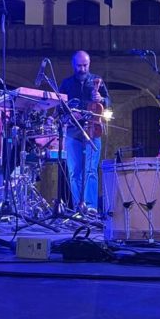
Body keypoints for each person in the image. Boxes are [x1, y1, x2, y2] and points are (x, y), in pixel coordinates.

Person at [59, 51, 111, 214]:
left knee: (90, 170)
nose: (82, 69)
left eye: (85, 65)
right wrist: (70, 114)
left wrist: (101, 99)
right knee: (75, 172)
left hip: (93, 130)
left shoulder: (97, 81)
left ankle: (91, 207)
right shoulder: (66, 84)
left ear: (89, 64)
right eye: (79, 66)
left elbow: (109, 103)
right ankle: (78, 207)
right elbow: (59, 108)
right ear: (73, 65)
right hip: (73, 132)